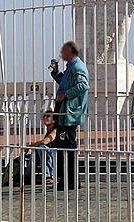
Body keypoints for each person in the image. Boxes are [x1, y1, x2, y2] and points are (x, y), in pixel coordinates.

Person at [50, 41, 89, 190]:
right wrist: (56, 74)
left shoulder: (78, 66)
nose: (62, 54)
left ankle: (71, 180)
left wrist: (66, 95)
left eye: (64, 51)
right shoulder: (71, 67)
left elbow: (83, 85)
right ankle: (65, 179)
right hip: (64, 111)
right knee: (62, 145)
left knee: (68, 146)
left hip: (70, 113)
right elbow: (66, 83)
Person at [25, 110, 57, 184]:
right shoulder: (48, 130)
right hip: (48, 156)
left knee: (41, 148)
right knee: (36, 150)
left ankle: (48, 175)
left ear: (54, 120)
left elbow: (45, 141)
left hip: (55, 155)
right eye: (44, 116)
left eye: (48, 116)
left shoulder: (55, 130)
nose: (45, 117)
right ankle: (27, 176)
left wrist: (31, 145)